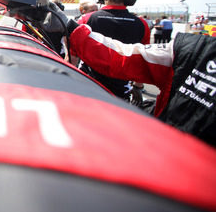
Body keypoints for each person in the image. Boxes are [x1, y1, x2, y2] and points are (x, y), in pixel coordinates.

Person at [67, 22, 216, 147]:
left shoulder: (194, 47)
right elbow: (124, 57)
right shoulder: (193, 48)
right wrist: (74, 29)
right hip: (157, 149)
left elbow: (121, 57)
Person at [76, 0, 150, 101]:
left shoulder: (86, 20)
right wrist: (138, 86)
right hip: (120, 92)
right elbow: (143, 59)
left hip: (87, 86)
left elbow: (72, 57)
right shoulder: (142, 24)